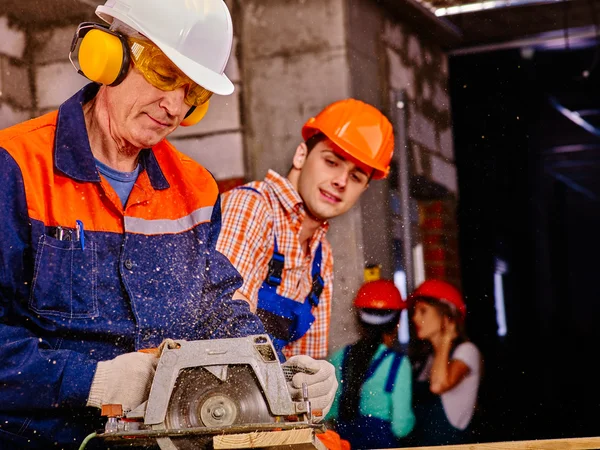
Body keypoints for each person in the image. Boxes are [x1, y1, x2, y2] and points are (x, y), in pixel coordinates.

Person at [0, 1, 336, 448]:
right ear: (109, 56)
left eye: (193, 92)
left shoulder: (195, 190)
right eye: (163, 74)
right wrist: (92, 381)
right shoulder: (15, 168)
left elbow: (216, 313)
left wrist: (279, 374)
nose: (175, 106)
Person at [217, 99, 395, 360]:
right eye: (332, 162)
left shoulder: (321, 256)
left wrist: (308, 389)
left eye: (356, 176)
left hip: (257, 393)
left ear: (363, 189)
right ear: (301, 155)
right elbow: (223, 324)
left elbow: (305, 361)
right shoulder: (253, 207)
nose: (341, 181)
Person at [325, 279, 415, 449]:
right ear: (397, 323)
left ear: (359, 321)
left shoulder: (339, 358)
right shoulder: (398, 364)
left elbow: (329, 412)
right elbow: (401, 427)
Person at [407, 279, 482, 446]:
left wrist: (446, 338)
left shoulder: (466, 351)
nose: (415, 318)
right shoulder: (427, 358)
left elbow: (438, 385)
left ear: (446, 315)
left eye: (423, 311)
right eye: (415, 312)